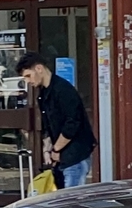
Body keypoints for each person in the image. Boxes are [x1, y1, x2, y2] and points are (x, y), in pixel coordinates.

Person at [16, 51, 96, 189]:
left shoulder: (63, 90)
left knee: (70, 202)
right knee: (62, 199)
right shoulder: (44, 93)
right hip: (62, 157)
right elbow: (48, 125)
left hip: (75, 154)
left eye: (28, 76)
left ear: (39, 68)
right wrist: (48, 150)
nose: (28, 82)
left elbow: (72, 123)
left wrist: (56, 150)